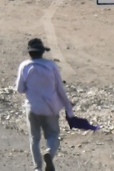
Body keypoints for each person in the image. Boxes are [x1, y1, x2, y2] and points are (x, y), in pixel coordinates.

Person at [16, 38, 74, 171]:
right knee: (53, 134)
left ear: (29, 53)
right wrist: (67, 105)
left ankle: (37, 168)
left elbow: (19, 89)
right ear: (42, 52)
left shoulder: (25, 66)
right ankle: (49, 152)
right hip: (50, 107)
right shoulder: (51, 65)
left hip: (32, 107)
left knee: (34, 138)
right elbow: (60, 88)